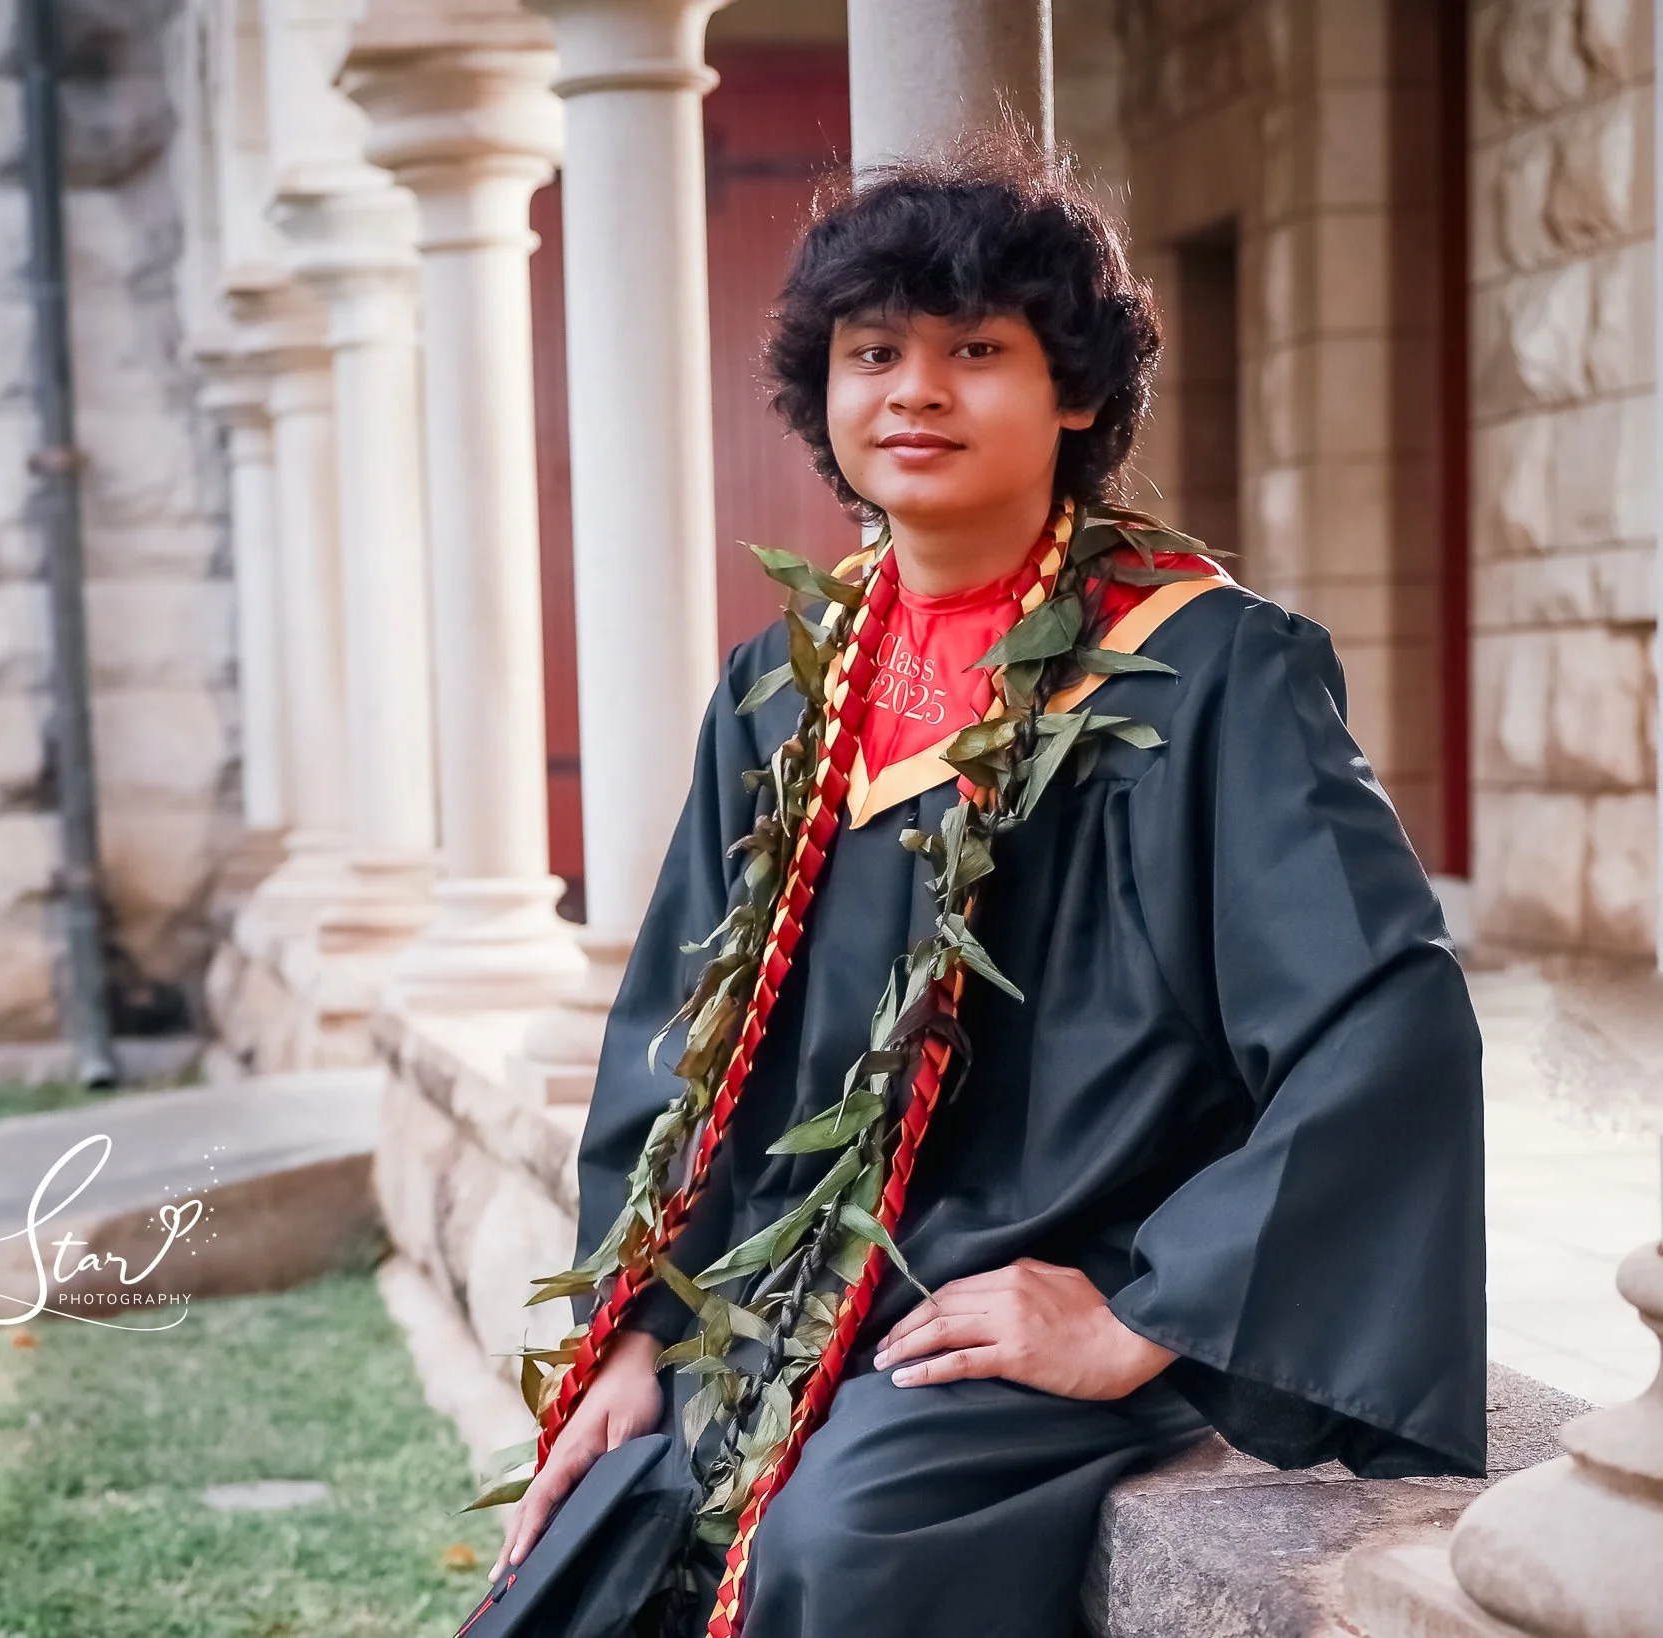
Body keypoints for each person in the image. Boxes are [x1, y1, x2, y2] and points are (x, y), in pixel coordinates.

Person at [457, 129, 1486, 1638]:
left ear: (1073, 394)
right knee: (599, 1532)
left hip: (1016, 1288)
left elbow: (1388, 1023)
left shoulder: (1205, 673)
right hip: (787, 1283)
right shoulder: (781, 692)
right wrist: (639, 1324)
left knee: (847, 1540)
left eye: (977, 349)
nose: (915, 389)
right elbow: (676, 1037)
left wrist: (1144, 1312)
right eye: (873, 351)